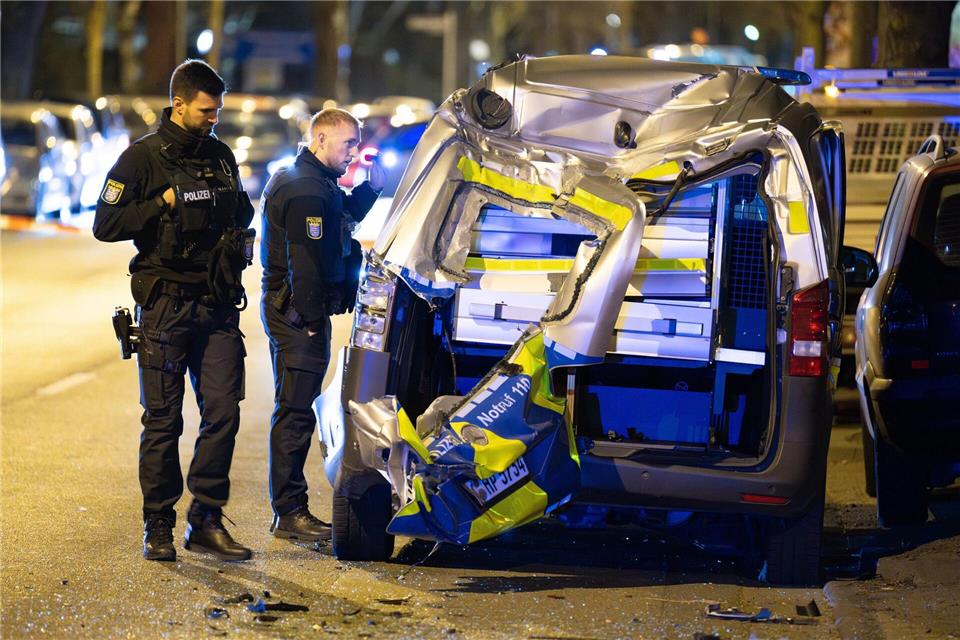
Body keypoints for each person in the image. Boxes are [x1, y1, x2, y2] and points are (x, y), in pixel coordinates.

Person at [93, 59, 255, 562]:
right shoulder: (141, 159)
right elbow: (106, 223)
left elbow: (242, 209)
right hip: (165, 307)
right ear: (179, 104)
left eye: (218, 111)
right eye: (207, 111)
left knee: (224, 412)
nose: (214, 119)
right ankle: (158, 524)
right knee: (163, 421)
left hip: (217, 304)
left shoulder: (222, 155)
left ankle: (205, 519)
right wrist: (163, 202)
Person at [259, 108, 384, 541]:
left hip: (297, 314)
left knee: (296, 407)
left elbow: (339, 220)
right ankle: (289, 512)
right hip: (298, 317)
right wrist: (311, 322)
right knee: (294, 412)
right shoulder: (306, 190)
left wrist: (370, 190)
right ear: (321, 138)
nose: (353, 152)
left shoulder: (314, 181)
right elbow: (305, 266)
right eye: (348, 143)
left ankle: (288, 509)